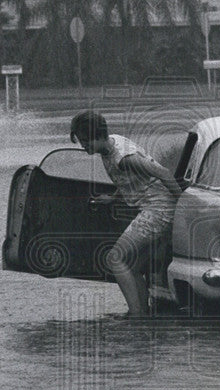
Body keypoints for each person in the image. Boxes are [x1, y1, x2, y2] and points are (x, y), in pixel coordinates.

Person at [70, 111, 183, 316]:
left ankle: (137, 316)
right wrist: (113, 198)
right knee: (130, 264)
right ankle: (141, 312)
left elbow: (163, 173)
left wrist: (183, 205)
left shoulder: (124, 157)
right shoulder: (111, 145)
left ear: (97, 136)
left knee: (115, 258)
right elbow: (127, 179)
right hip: (153, 207)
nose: (83, 146)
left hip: (159, 209)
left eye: (86, 141)